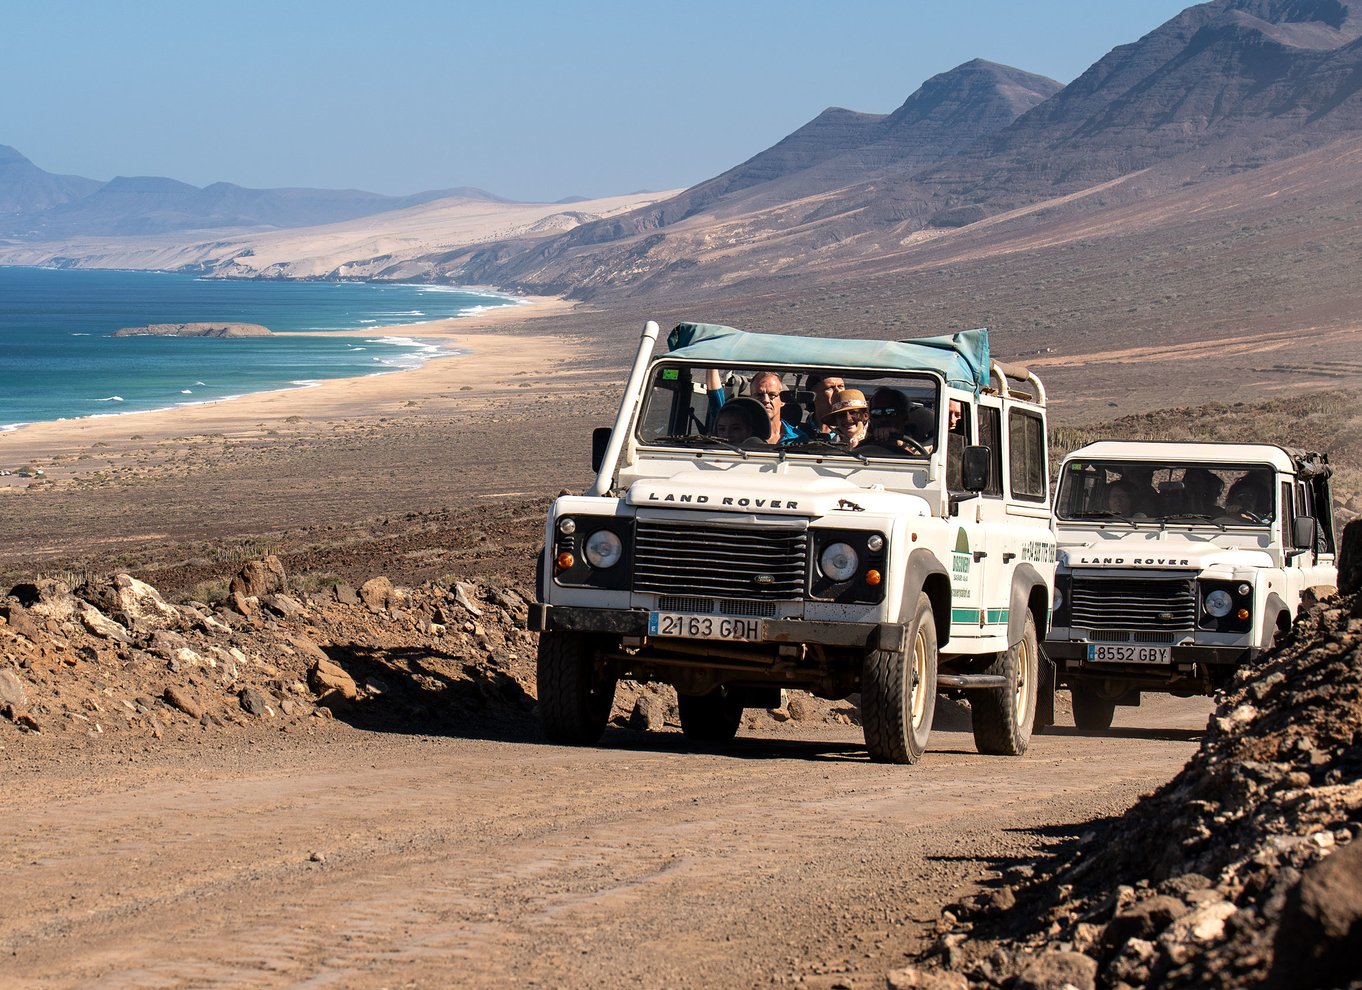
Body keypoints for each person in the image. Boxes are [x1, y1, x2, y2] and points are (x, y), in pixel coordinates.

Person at [868, 388, 928, 454]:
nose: (883, 419)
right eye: (876, 413)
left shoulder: (921, 446)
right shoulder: (863, 439)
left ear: (904, 416)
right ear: (870, 418)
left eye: (890, 412)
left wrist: (897, 441)